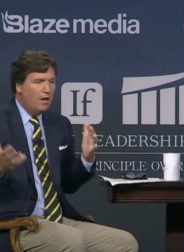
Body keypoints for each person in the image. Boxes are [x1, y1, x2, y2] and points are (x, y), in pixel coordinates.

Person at [0, 50, 139, 252]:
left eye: (52, 81)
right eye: (38, 82)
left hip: (57, 220)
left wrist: (86, 159)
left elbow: (68, 184)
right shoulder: (2, 122)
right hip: (17, 224)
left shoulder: (59, 125)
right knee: (71, 240)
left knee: (123, 243)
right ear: (19, 86)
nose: (47, 89)